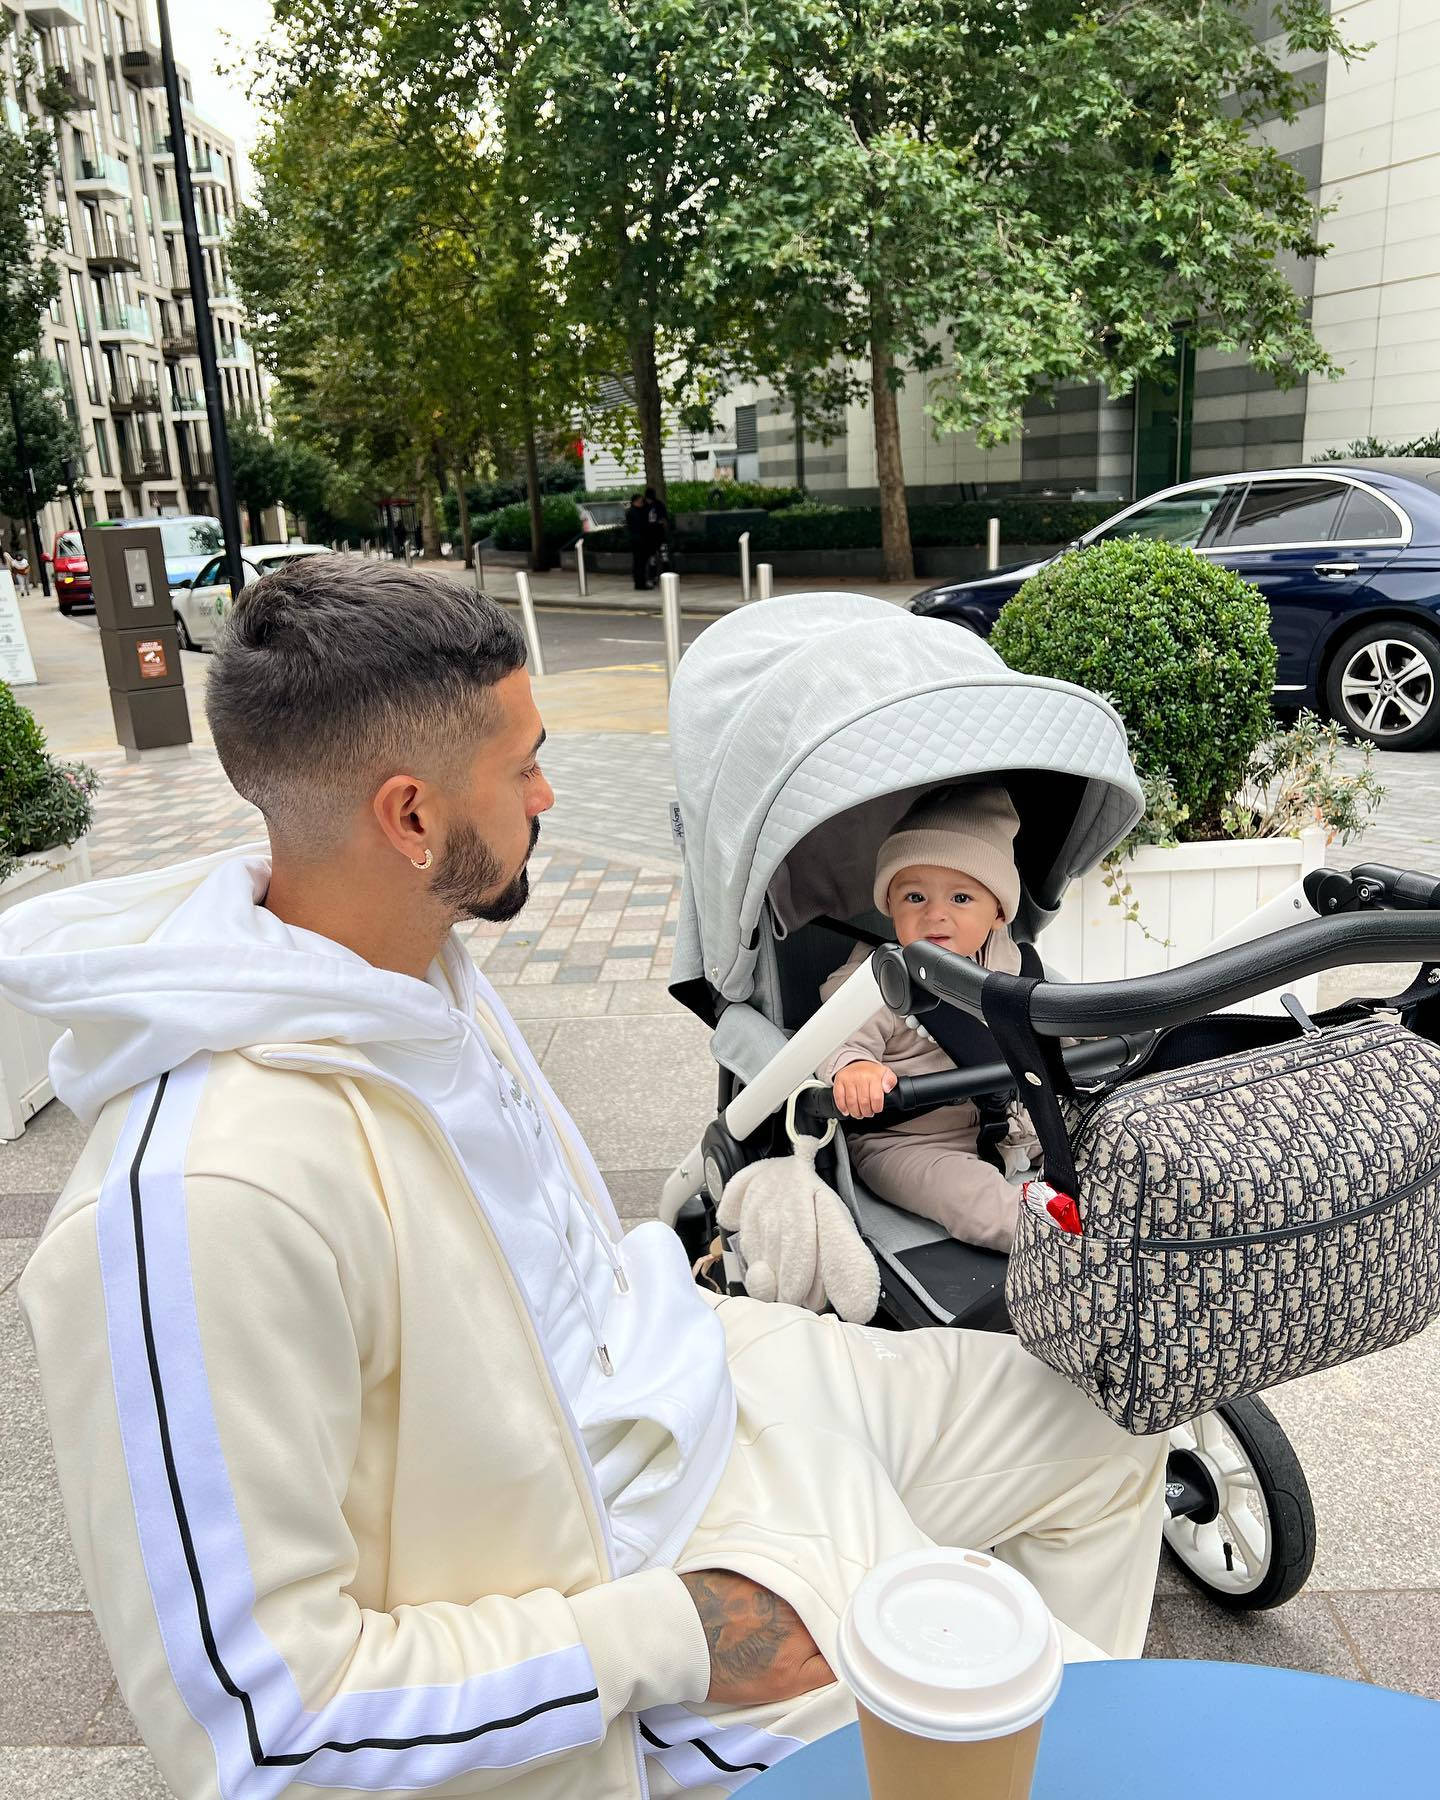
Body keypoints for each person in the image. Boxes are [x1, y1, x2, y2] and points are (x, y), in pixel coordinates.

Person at [1, 561, 1166, 1800]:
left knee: (1110, 1424)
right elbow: (264, 1726)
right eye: (524, 768)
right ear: (410, 818)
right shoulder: (196, 1205)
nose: (551, 792)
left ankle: (1058, 1713)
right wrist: (675, 1636)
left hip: (709, 1380)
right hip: (638, 1567)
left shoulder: (412, 973)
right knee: (1041, 1763)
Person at [817, 786, 1040, 1252]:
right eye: (915, 896)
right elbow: (833, 1037)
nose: (935, 914)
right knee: (972, 1199)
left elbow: (1057, 1030)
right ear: (890, 905)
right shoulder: (874, 981)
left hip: (1014, 1125)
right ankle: (1050, 1244)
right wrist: (854, 1068)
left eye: (961, 898)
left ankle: (1128, 1215)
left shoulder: (1016, 967)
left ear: (997, 912)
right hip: (908, 1142)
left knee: (1100, 1130)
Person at [626, 491, 653, 589]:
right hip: (639, 541)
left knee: (639, 563)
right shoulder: (635, 512)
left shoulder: (633, 511)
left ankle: (640, 582)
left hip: (638, 540)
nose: (643, 503)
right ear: (636, 501)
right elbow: (642, 525)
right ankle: (640, 583)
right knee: (640, 563)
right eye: (641, 501)